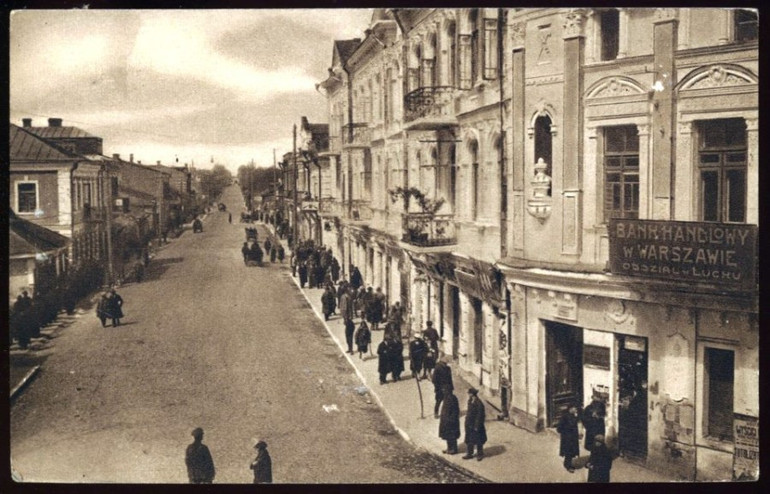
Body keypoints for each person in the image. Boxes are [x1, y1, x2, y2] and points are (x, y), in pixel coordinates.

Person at [463, 388, 487, 461]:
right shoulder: (470, 401)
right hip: (470, 424)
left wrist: (477, 426)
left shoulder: (479, 403)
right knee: (469, 439)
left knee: (478, 440)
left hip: (477, 425)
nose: (468, 395)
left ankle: (480, 454)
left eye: (469, 393)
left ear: (472, 394)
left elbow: (480, 416)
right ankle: (469, 453)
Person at [557, 405, 581, 472]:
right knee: (568, 452)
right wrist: (566, 432)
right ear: (571, 409)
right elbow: (559, 428)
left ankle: (567, 464)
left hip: (572, 437)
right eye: (575, 408)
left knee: (571, 452)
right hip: (567, 438)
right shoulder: (565, 416)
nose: (576, 409)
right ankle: (568, 466)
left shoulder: (573, 416)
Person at [438, 386, 460, 455]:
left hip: (451, 421)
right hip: (445, 421)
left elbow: (455, 410)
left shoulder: (453, 398)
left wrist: (451, 419)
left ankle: (454, 449)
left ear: (448, 391)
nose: (443, 391)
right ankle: (449, 448)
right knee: (447, 436)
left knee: (452, 436)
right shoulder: (446, 398)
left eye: (444, 390)